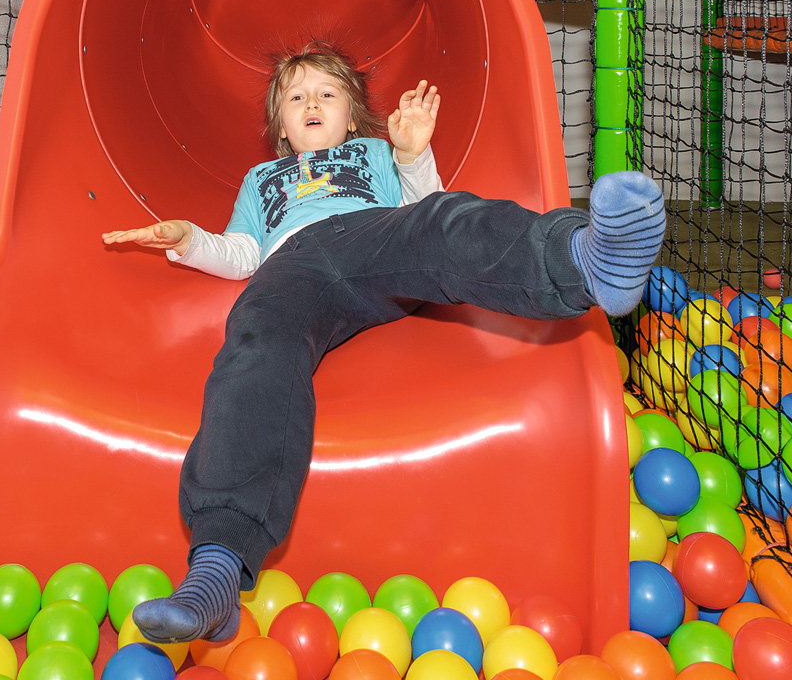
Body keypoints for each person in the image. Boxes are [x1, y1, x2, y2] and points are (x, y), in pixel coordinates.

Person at [102, 40, 666, 645]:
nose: (311, 104)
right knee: (256, 341)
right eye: (296, 97)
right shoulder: (261, 180)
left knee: (443, 221)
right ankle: (217, 570)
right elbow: (242, 253)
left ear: (351, 117)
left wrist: (413, 155)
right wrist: (188, 240)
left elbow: (425, 215)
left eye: (327, 93)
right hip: (290, 266)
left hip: (373, 237)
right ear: (281, 127)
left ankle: (582, 261)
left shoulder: (375, 154)